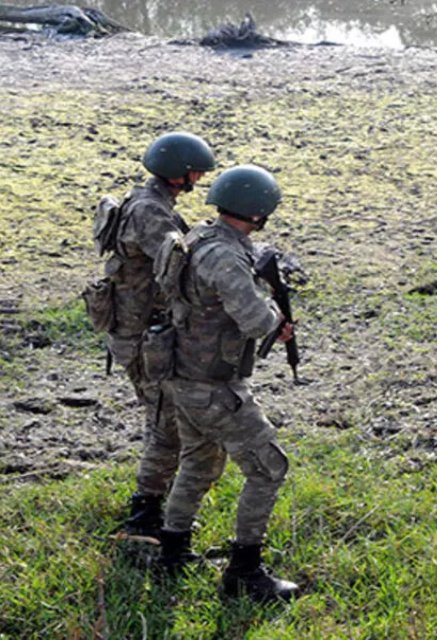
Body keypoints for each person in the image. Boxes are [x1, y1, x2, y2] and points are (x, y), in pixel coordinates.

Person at [155, 165, 299, 602]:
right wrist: (276, 317)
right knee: (269, 468)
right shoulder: (226, 256)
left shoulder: (197, 236)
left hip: (182, 373)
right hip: (214, 384)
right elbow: (255, 321)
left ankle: (172, 553)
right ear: (260, 211)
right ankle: (245, 573)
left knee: (199, 463)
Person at [95, 132, 216, 539]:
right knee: (166, 424)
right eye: (195, 172)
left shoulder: (142, 201)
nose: (199, 178)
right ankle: (144, 516)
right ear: (178, 174)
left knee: (165, 420)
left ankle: (152, 506)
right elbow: (180, 264)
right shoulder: (152, 214)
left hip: (135, 333)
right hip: (144, 338)